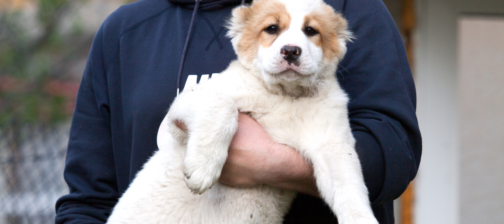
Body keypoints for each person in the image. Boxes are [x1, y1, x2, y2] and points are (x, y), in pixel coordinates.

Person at [55, 0, 422, 223]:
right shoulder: (125, 31)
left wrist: (272, 163)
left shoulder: (345, 7)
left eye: (306, 32)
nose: (292, 43)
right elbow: (87, 199)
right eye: (273, 29)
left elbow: (395, 152)